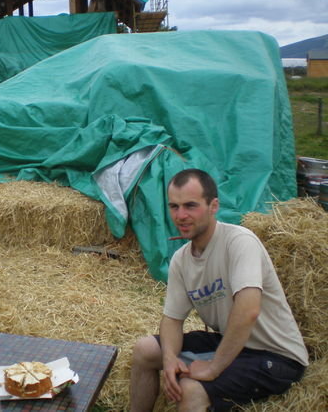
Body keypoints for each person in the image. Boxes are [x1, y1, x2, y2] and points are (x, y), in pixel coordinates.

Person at [129, 168, 308, 412]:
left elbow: (248, 311)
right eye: (174, 206)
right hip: (231, 342)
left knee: (191, 389)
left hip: (275, 356)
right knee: (144, 350)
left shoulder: (239, 242)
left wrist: (214, 367)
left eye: (190, 206)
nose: (180, 215)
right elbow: (172, 320)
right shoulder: (181, 260)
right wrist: (170, 360)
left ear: (213, 206)